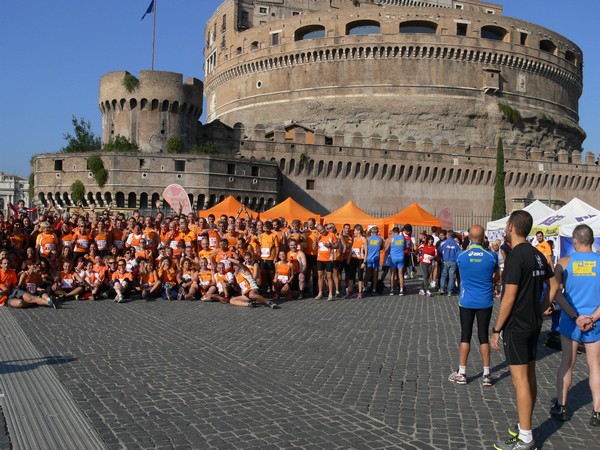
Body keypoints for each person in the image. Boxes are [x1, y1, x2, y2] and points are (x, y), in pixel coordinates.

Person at [491, 210, 557, 450]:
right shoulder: (538, 254)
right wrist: (541, 308)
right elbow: (555, 284)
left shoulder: (516, 256)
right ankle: (523, 426)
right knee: (530, 377)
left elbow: (508, 297)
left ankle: (526, 437)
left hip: (517, 326)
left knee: (520, 382)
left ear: (510, 226)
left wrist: (496, 329)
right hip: (534, 324)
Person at [548, 224, 600, 426]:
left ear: (575, 241)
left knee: (567, 363)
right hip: (595, 321)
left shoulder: (564, 262)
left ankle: (561, 406)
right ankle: (597, 411)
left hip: (571, 320)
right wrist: (592, 318)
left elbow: (556, 293)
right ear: (592, 241)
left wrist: (575, 316)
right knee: (595, 365)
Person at [448, 225, 499, 386]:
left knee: (465, 335)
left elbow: (457, 272)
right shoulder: (491, 256)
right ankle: (486, 374)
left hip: (466, 300)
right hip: (485, 301)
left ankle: (462, 372)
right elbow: (496, 276)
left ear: (469, 237)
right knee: (483, 336)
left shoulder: (461, 255)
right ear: (484, 237)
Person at [384, 227, 407, 296]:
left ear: (393, 232)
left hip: (393, 258)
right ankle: (401, 289)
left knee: (393, 274)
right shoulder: (403, 238)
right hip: (401, 257)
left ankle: (392, 289)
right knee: (400, 275)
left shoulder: (391, 239)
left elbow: (386, 249)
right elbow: (405, 247)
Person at [438, 230, 461, 296]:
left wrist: (443, 257)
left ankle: (442, 289)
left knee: (443, 276)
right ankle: (449, 291)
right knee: (451, 277)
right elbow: (459, 253)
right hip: (453, 262)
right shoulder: (456, 244)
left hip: (445, 261)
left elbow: (439, 251)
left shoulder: (443, 243)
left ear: (448, 235)